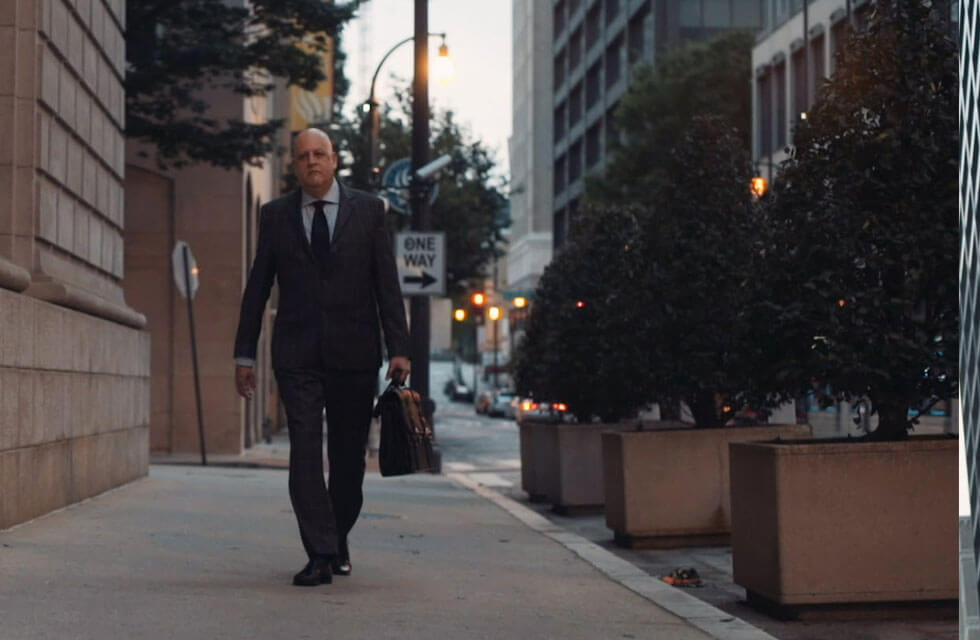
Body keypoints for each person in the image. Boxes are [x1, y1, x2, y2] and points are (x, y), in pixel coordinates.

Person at [233, 128, 411, 587]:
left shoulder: (368, 211)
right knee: (306, 455)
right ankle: (320, 553)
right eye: (303, 156)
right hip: (297, 357)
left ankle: (337, 537)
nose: (311, 161)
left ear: (334, 160)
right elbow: (257, 287)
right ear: (294, 166)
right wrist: (244, 354)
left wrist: (400, 348)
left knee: (348, 462)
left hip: (355, 355)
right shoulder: (276, 216)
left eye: (319, 154)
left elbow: (386, 284)